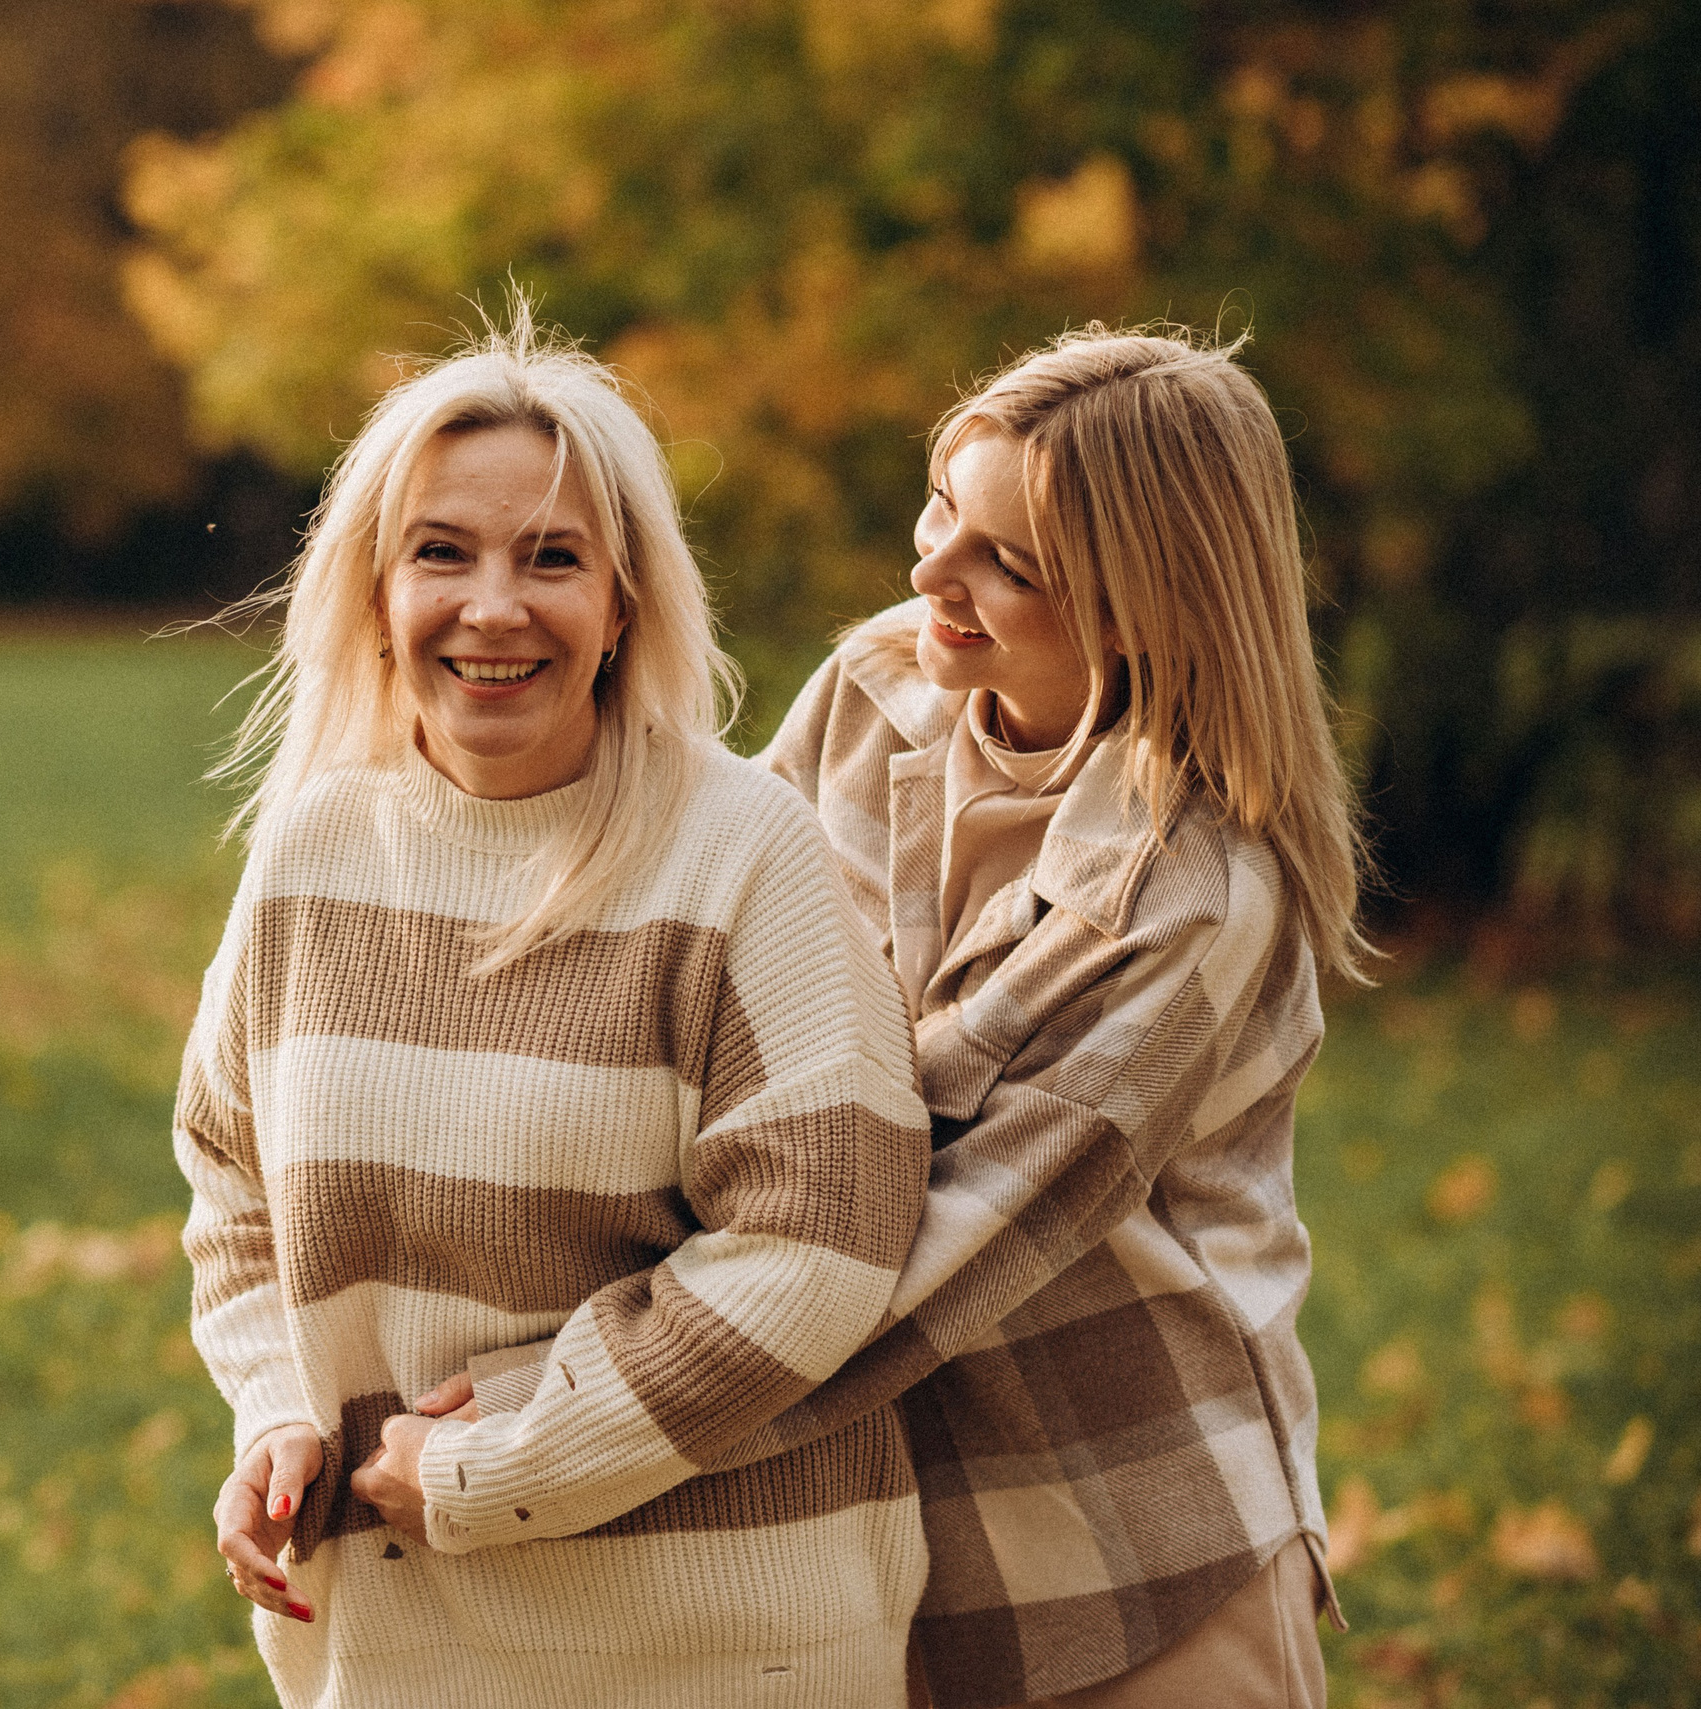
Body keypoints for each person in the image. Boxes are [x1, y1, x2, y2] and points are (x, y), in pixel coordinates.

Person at [173, 314, 934, 1708]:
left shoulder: (742, 850)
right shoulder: (313, 848)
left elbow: (820, 1243)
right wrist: (278, 1412)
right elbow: (233, 1182)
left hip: (725, 1648)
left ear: (627, 600)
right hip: (403, 1656)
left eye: (554, 557)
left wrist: (497, 1470)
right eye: (443, 551)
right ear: (375, 590)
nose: (494, 606)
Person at [746, 324, 1366, 1708]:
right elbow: (699, 964)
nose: (928, 577)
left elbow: (931, 1252)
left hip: (1136, 1559)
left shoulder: (1192, 893)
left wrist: (558, 1427)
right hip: (892, 1538)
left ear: (1143, 604)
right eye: (941, 513)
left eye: (1003, 566)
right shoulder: (873, 689)